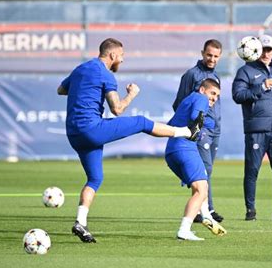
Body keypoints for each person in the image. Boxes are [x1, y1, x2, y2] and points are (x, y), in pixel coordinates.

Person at [57, 38, 203, 243]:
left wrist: (82, 88)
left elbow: (60, 90)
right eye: (122, 56)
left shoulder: (80, 69)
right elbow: (117, 109)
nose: (122, 60)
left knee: (95, 179)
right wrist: (132, 94)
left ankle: (80, 222)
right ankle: (187, 132)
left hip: (74, 134)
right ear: (113, 55)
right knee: (141, 122)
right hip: (91, 129)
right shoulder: (105, 74)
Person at [232, 34, 272, 221]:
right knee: (252, 171)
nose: (266, 53)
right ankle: (250, 210)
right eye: (263, 50)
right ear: (256, 50)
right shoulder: (246, 71)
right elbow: (238, 95)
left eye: (269, 49)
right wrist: (261, 88)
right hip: (256, 130)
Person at [166, 78, 227, 240]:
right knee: (201, 190)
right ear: (202, 90)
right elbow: (196, 117)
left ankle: (206, 215)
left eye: (217, 96)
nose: (214, 98)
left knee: (201, 184)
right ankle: (184, 230)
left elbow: (171, 123)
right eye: (212, 93)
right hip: (185, 148)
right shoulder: (200, 99)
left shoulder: (187, 100)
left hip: (172, 150)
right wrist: (209, 121)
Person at [172, 39, 224, 223]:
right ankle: (206, 210)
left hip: (214, 129)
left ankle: (202, 209)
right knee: (204, 169)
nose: (212, 59)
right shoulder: (191, 75)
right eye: (209, 55)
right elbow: (180, 103)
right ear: (202, 53)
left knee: (207, 170)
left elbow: (215, 104)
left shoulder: (215, 76)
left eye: (216, 56)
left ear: (220, 57)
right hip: (201, 131)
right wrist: (192, 128)